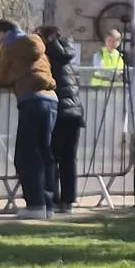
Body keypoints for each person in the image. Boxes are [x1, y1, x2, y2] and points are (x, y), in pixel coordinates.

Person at [0, 19, 58, 217]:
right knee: (44, 154)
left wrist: (8, 81)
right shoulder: (37, 45)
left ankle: (35, 205)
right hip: (51, 98)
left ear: (2, 33)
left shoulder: (10, 46)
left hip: (31, 100)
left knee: (26, 155)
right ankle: (47, 205)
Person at [37, 27, 85, 214]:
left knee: (52, 157)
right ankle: (68, 201)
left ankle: (53, 198)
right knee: (69, 158)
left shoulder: (47, 56)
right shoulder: (67, 53)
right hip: (75, 110)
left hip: (59, 109)